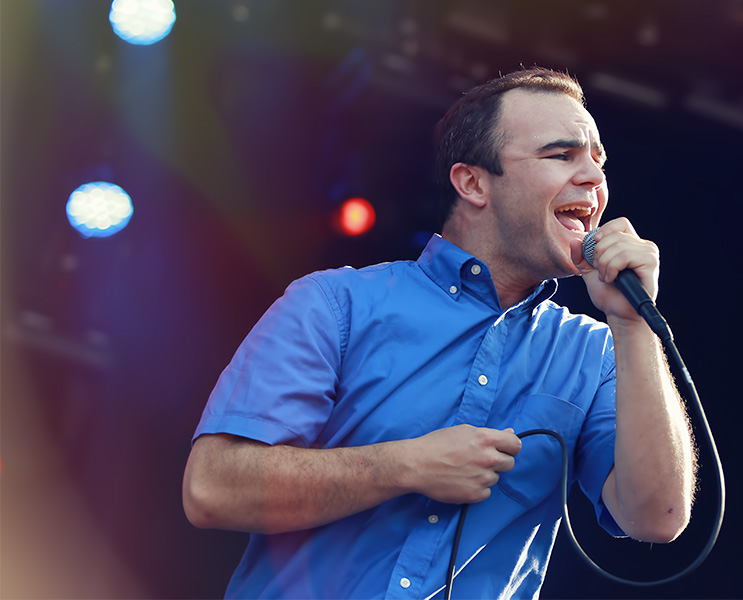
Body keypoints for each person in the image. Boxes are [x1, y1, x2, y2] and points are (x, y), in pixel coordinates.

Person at [183, 67, 697, 599]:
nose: (594, 176)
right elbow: (213, 488)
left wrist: (634, 325)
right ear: (473, 182)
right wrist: (408, 465)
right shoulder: (338, 305)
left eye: (598, 160)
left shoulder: (597, 353)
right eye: (561, 155)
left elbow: (656, 517)